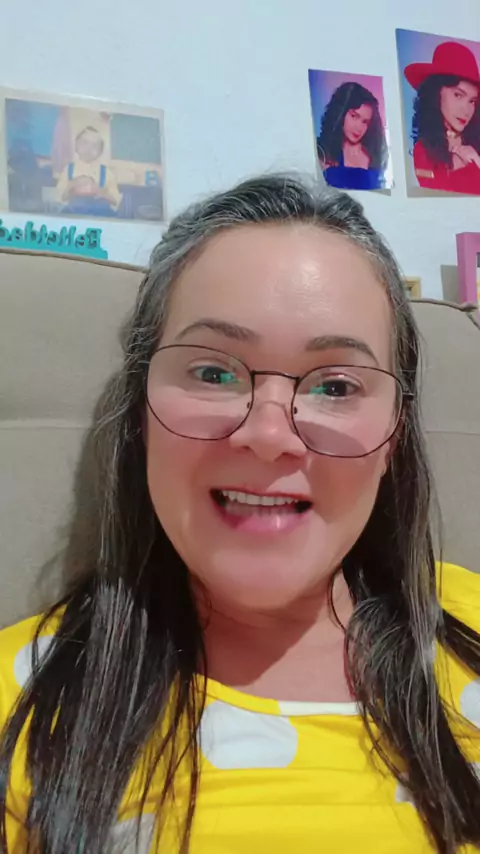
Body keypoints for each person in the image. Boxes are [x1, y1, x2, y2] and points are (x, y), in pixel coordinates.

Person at [0, 174, 480, 854]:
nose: (269, 434)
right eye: (213, 373)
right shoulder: (18, 707)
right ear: (141, 412)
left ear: (393, 437)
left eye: (336, 385)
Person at [405, 41, 480, 194]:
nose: (466, 110)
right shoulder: (424, 150)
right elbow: (438, 197)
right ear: (436, 93)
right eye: (458, 95)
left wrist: (477, 161)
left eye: (472, 101)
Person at [316, 82, 388, 190]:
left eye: (365, 122)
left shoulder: (375, 155)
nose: (359, 127)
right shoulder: (323, 151)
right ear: (340, 112)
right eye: (354, 116)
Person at [55, 125, 122, 216]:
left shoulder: (107, 173)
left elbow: (116, 201)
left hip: (99, 214)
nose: (89, 149)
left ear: (100, 151)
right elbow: (59, 197)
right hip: (74, 212)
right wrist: (71, 185)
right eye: (84, 143)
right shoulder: (69, 169)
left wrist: (102, 193)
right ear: (76, 146)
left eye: (94, 145)